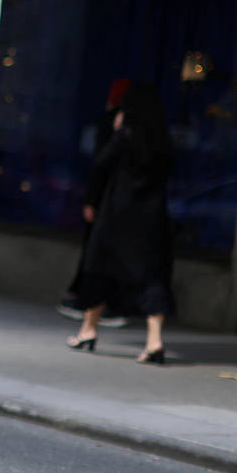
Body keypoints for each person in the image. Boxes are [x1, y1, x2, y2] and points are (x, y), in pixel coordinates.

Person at [64, 82, 175, 365]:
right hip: (151, 217)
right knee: (152, 276)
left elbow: (101, 162)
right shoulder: (162, 140)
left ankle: (88, 329)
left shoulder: (125, 135)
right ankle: (154, 340)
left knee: (100, 268)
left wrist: (116, 132)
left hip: (117, 214)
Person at [57, 78, 131, 328]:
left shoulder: (119, 127)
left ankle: (92, 305)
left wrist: (92, 199)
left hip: (110, 202)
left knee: (98, 255)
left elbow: (102, 164)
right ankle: (93, 304)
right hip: (118, 203)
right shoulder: (131, 128)